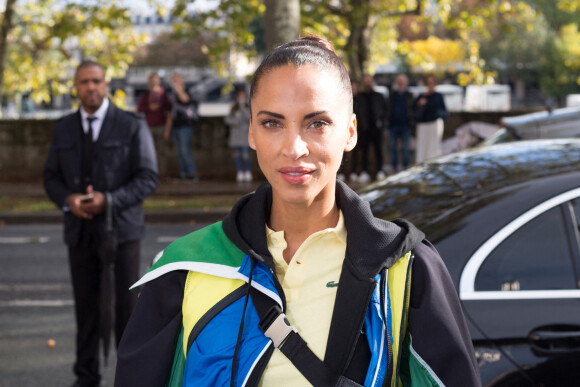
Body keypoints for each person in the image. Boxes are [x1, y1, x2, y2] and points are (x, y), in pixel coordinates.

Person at [115, 36, 481, 386]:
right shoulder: (186, 267)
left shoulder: (405, 267)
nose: (294, 148)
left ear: (350, 132)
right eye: (272, 123)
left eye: (317, 123)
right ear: (251, 133)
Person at [43, 60, 159, 387]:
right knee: (87, 311)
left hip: (121, 233)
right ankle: (86, 378)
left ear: (106, 84)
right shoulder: (64, 127)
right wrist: (67, 200)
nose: (90, 87)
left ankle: (130, 379)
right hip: (79, 234)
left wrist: (109, 200)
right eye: (83, 82)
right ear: (76, 88)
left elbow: (148, 177)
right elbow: (51, 177)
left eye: (96, 81)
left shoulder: (131, 125)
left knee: (125, 312)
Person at [165, 72, 199, 181]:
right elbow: (170, 113)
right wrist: (167, 130)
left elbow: (185, 100)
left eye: (177, 80)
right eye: (173, 80)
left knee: (185, 151)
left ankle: (191, 174)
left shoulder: (187, 91)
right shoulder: (171, 95)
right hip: (175, 127)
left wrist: (178, 89)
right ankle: (183, 174)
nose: (175, 82)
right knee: (179, 152)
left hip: (185, 126)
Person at [137, 72, 171, 181]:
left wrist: (167, 129)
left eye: (155, 80)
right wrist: (149, 108)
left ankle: (162, 174)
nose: (153, 82)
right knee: (147, 152)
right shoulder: (145, 95)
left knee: (161, 152)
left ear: (159, 81)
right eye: (152, 80)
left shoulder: (164, 95)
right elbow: (139, 111)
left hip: (161, 126)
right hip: (148, 127)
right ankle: (149, 174)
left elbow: (169, 112)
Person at [354, 74, 386, 183]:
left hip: (377, 128)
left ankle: (380, 170)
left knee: (378, 150)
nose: (367, 83)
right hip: (364, 129)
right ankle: (364, 171)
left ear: (372, 82)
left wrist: (381, 123)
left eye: (369, 81)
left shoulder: (379, 96)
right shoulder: (359, 97)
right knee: (364, 151)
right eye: (365, 81)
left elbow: (384, 110)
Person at [412, 74, 448, 163]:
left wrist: (437, 114)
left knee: (434, 147)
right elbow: (413, 109)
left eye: (432, 82)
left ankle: (434, 164)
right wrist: (419, 104)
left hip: (434, 124)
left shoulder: (438, 96)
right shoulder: (421, 96)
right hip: (423, 125)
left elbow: (445, 111)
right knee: (422, 147)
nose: (430, 84)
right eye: (428, 83)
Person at [386, 74, 414, 172]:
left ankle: (406, 167)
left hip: (406, 125)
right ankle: (394, 167)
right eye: (399, 81)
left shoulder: (409, 95)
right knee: (393, 147)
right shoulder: (392, 95)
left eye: (403, 81)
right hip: (393, 125)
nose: (401, 83)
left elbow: (413, 109)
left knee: (406, 148)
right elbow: (388, 109)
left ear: (406, 83)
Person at [225, 88, 252, 182]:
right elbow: (227, 120)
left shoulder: (248, 108)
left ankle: (247, 172)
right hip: (235, 136)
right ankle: (239, 172)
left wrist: (242, 108)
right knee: (237, 155)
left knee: (245, 155)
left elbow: (249, 118)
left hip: (244, 136)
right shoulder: (233, 108)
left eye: (243, 97)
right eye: (240, 97)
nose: (241, 98)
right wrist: (235, 121)